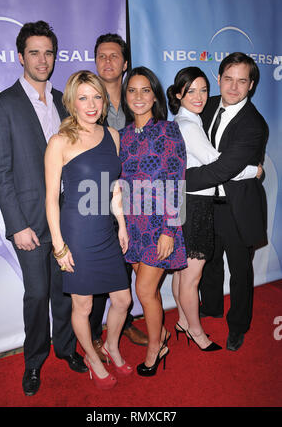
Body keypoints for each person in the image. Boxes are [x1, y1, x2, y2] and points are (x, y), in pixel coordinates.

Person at [0, 21, 87, 397]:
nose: (42, 60)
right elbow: (0, 172)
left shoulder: (66, 102)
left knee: (65, 290)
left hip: (68, 218)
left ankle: (66, 349)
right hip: (29, 220)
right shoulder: (1, 106)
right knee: (36, 294)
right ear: (19, 57)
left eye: (48, 52)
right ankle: (33, 362)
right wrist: (17, 225)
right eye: (34, 52)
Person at [45, 70, 132, 390]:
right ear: (72, 102)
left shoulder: (113, 135)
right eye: (83, 98)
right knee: (83, 305)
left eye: (97, 96)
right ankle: (94, 360)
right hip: (77, 233)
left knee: (122, 300)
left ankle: (110, 345)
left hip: (106, 231)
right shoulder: (59, 141)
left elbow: (114, 189)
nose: (91, 104)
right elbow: (51, 199)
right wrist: (58, 245)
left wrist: (121, 225)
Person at [167, 67, 262, 351]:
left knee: (239, 269)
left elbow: (220, 168)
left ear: (251, 84)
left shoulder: (253, 124)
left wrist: (181, 179)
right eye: (228, 79)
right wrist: (254, 171)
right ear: (219, 79)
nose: (233, 87)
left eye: (241, 81)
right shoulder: (200, 110)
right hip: (201, 203)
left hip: (235, 205)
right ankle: (203, 313)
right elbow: (214, 163)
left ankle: (237, 326)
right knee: (199, 270)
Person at [119, 66, 187, 376]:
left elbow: (177, 182)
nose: (138, 96)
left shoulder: (168, 131)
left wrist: (170, 231)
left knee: (144, 291)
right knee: (150, 291)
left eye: (145, 90)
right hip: (133, 227)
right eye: (132, 90)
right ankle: (159, 335)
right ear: (125, 97)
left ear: (155, 95)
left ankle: (155, 348)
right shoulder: (122, 136)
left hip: (161, 226)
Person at [90, 33, 148, 362]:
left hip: (134, 201)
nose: (108, 62)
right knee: (98, 268)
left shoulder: (136, 101)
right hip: (96, 200)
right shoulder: (86, 103)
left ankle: (122, 323)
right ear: (96, 61)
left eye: (115, 56)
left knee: (124, 266)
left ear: (125, 64)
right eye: (102, 56)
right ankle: (96, 333)